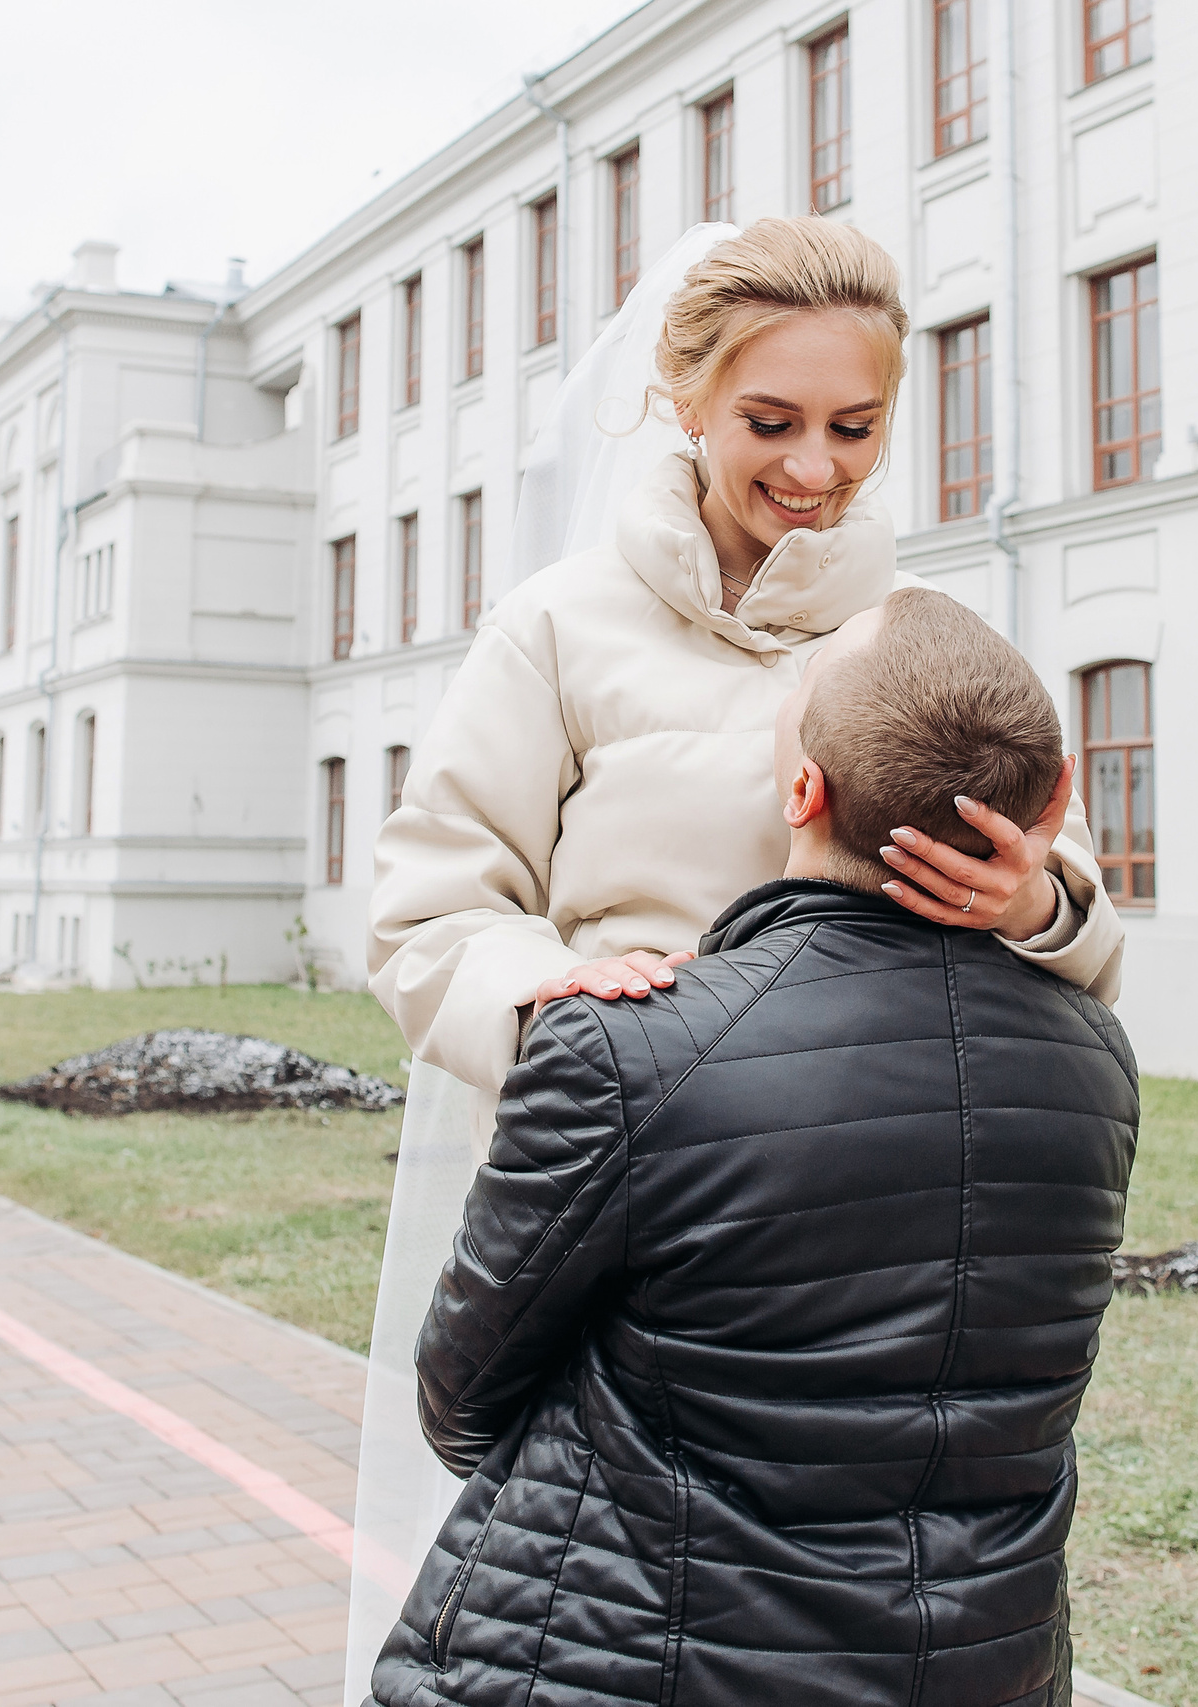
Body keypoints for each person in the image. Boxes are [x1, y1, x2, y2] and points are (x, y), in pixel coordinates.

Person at [346, 217, 1127, 1687]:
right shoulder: (561, 630)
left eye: (856, 426)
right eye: (770, 422)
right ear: (683, 398)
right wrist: (547, 997)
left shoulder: (917, 627)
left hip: (873, 1214)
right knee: (636, 1574)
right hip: (639, 1181)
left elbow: (1067, 891)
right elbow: (427, 910)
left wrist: (1038, 906)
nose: (816, 469)